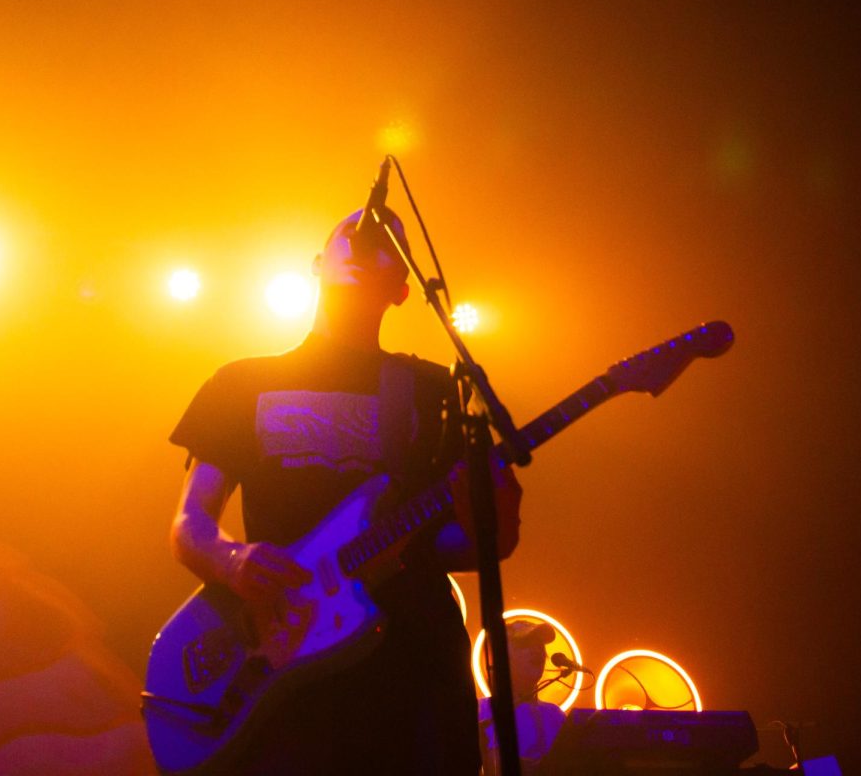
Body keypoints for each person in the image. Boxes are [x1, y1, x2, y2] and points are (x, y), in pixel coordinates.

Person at [168, 205, 523, 775]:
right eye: (349, 236)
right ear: (316, 264)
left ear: (403, 289)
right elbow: (190, 523)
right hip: (288, 661)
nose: (363, 244)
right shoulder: (241, 383)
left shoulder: (434, 389)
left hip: (414, 668)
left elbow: (461, 548)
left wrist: (498, 516)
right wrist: (232, 562)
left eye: (384, 243)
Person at [478, 620, 568, 775]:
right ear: (503, 656)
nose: (537, 650)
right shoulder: (480, 710)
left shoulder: (556, 715)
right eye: (525, 644)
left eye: (540, 644)